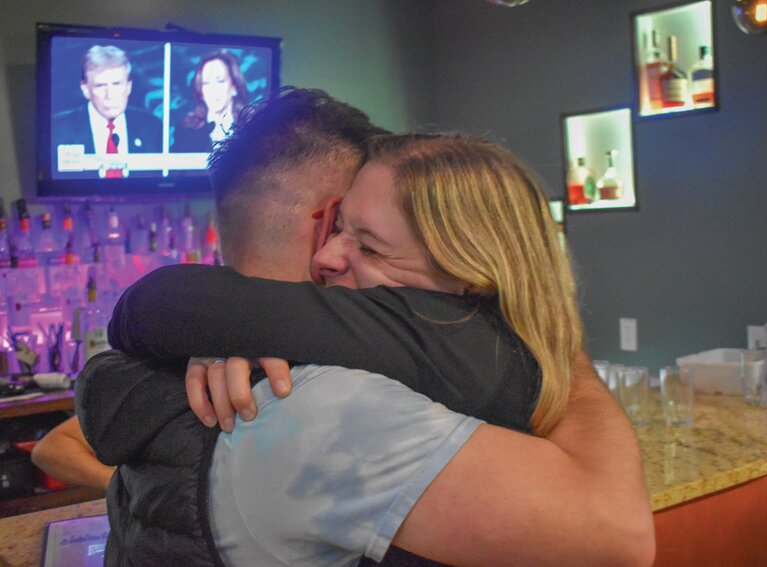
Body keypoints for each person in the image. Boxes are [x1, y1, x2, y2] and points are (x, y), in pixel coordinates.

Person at [75, 88, 654, 566]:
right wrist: (557, 340)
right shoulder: (327, 404)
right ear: (326, 215)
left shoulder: (189, 357)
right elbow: (617, 537)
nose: (333, 258)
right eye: (343, 230)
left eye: (369, 243)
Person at [53, 45, 162, 177]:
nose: (110, 95)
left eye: (117, 84)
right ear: (85, 89)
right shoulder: (58, 129)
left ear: (128, 86)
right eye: (100, 86)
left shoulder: (152, 126)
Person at [172, 50, 249, 153]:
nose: (213, 90)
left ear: (234, 87)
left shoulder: (251, 125)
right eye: (206, 83)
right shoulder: (186, 129)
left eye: (220, 81)